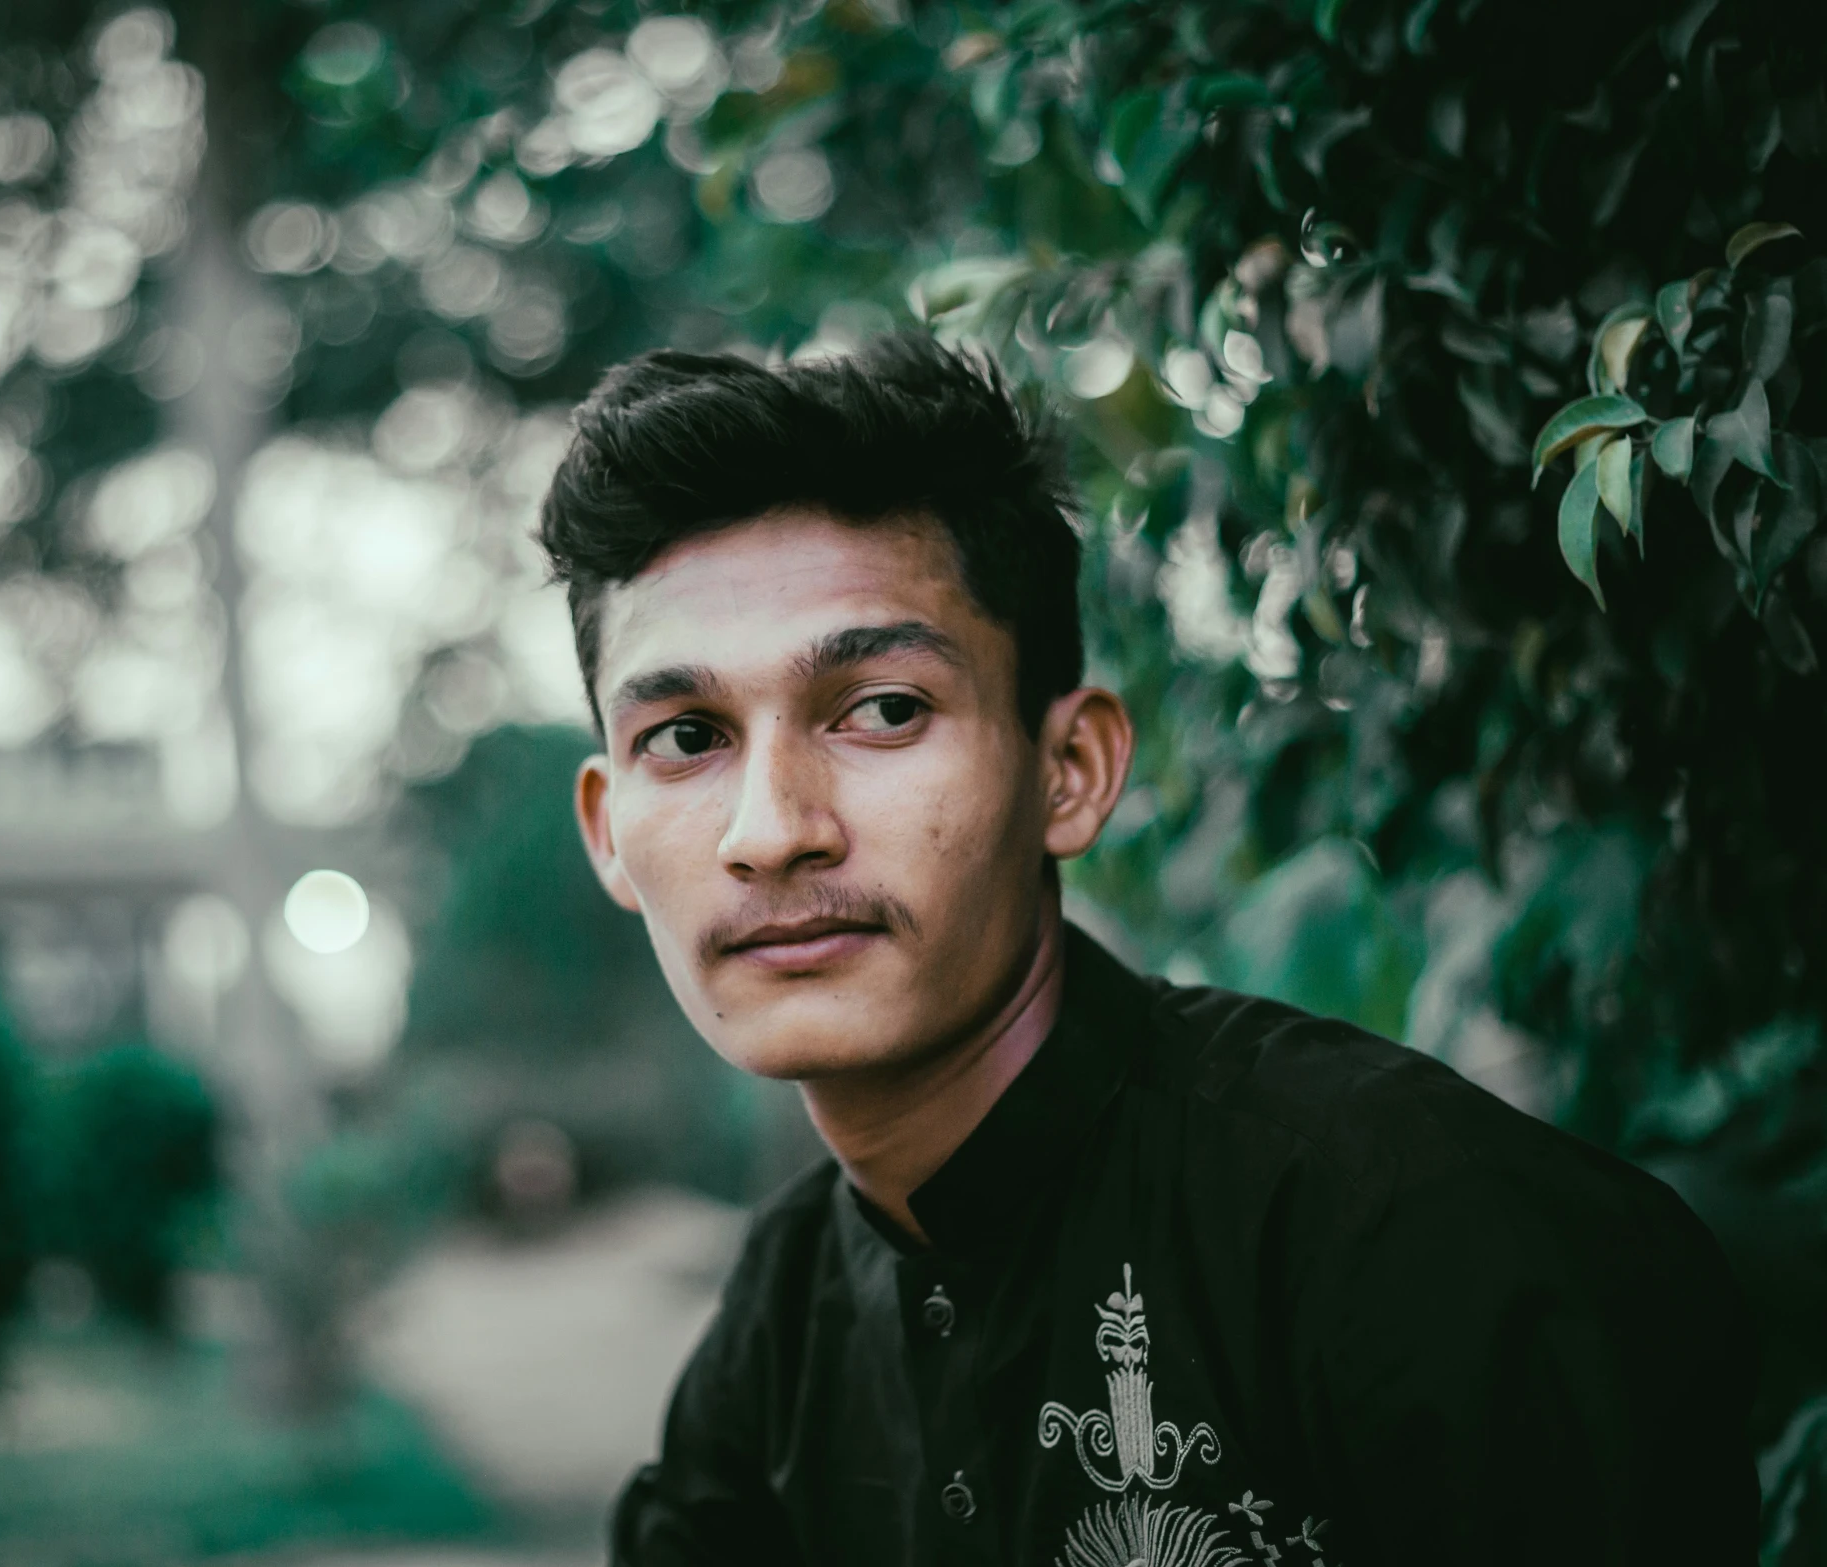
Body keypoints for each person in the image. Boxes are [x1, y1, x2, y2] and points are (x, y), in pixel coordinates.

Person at [537, 335, 1756, 1566]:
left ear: (1068, 772)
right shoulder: (781, 1326)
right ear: (606, 835)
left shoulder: (1424, 1241)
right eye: (686, 735)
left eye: (884, 710)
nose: (770, 832)